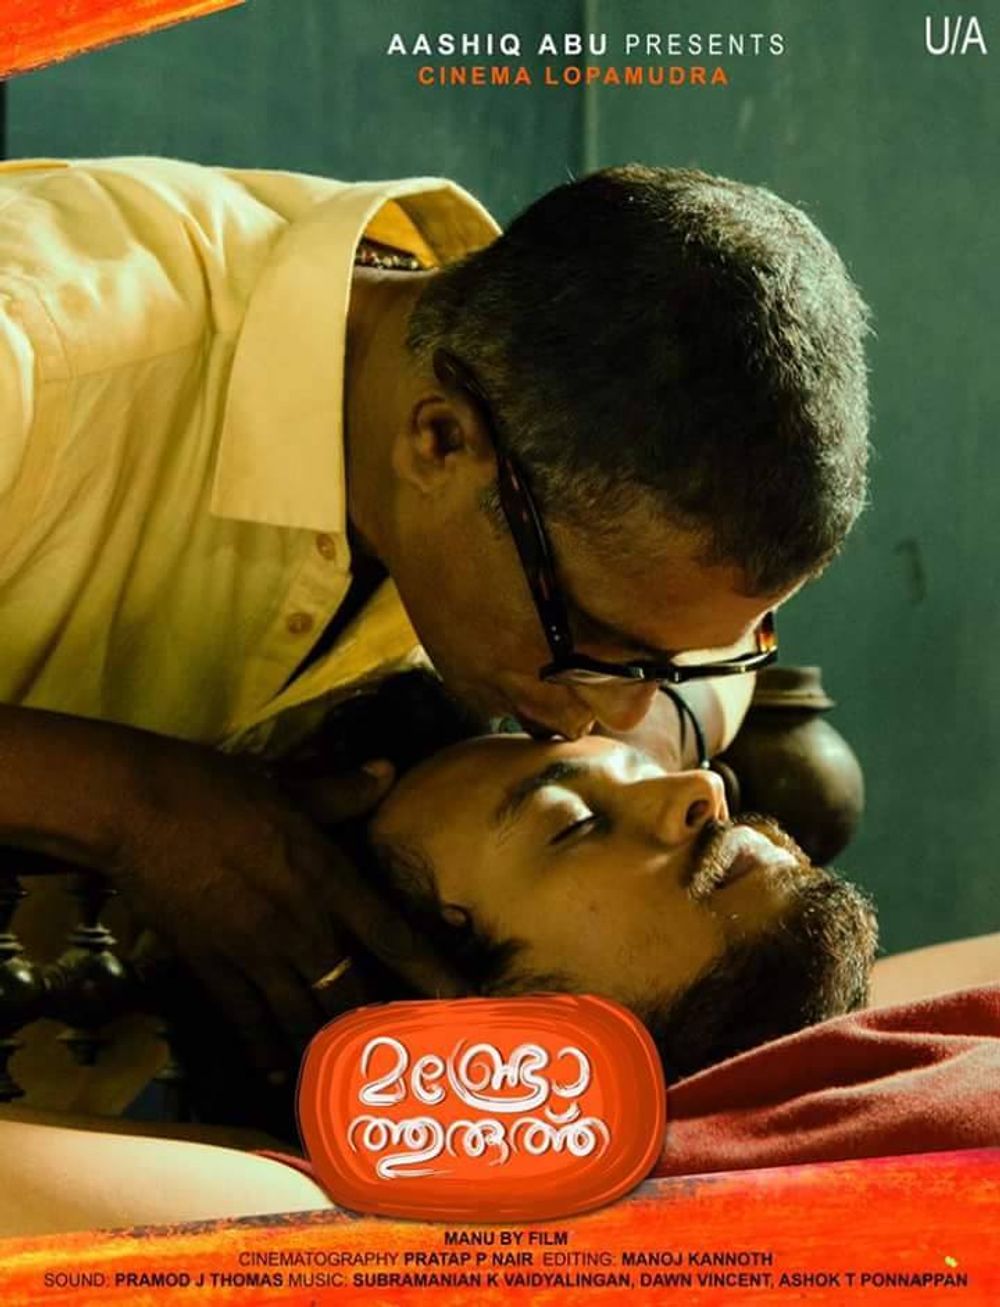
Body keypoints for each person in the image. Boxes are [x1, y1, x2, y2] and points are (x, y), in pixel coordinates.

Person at [0, 157, 870, 1098]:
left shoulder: (570, 435)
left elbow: (692, 673)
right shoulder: (41, 355)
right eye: (589, 636)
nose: (604, 719)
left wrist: (624, 787)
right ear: (441, 441)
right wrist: (133, 800)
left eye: (669, 663)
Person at [0, 727, 879, 1237]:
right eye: (575, 824)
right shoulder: (329, 1224)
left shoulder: (896, 1020)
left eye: (649, 765)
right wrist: (132, 799)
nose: (703, 786)